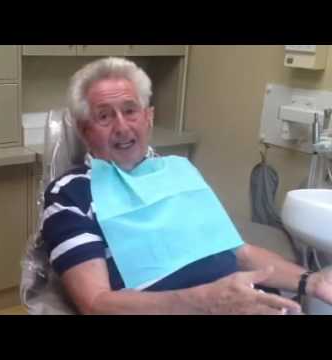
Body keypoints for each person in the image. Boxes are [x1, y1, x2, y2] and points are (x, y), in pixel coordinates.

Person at [41, 57, 332, 315]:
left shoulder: (179, 171)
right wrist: (206, 301)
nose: (121, 127)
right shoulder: (71, 193)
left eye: (130, 110)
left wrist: (311, 281)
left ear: (148, 117)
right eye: (104, 116)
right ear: (83, 129)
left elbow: (239, 253)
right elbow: (95, 304)